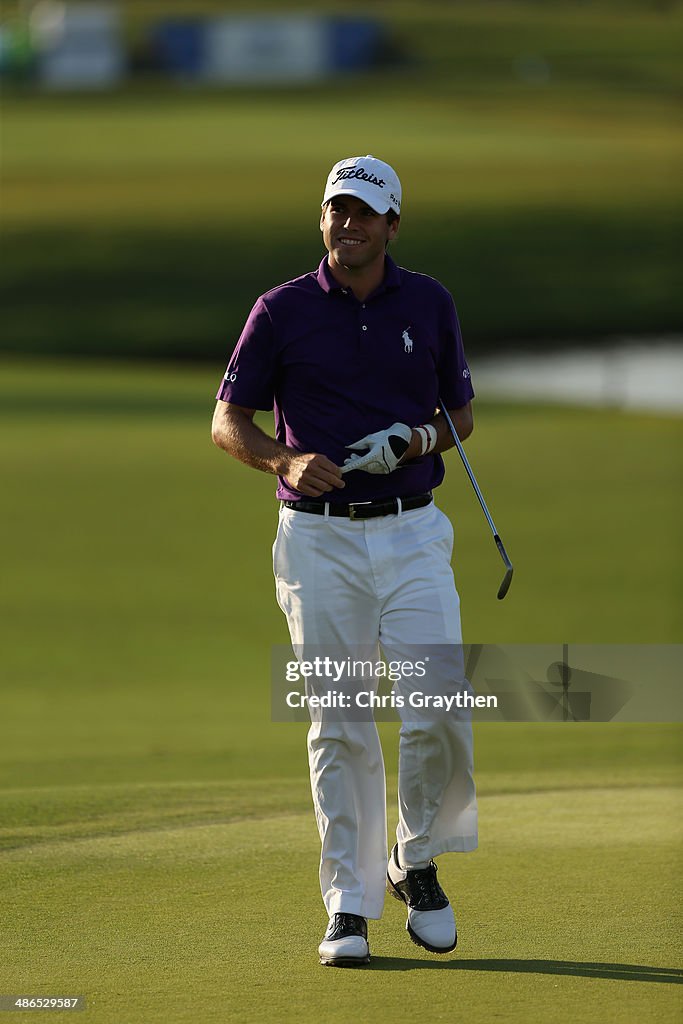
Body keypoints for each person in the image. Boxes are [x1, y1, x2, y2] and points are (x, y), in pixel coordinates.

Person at [211, 155, 478, 967]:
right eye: (336, 210)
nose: (348, 225)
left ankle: (413, 857)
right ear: (322, 219)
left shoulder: (427, 302)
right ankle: (348, 904)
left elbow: (460, 415)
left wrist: (416, 438)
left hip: (411, 529)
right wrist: (281, 461)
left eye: (365, 213)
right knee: (339, 721)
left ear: (392, 225)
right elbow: (229, 421)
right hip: (317, 539)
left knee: (438, 708)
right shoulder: (282, 309)